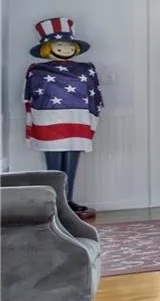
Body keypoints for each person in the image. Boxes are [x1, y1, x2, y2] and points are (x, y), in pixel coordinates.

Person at [24, 17, 102, 219]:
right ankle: (56, 201)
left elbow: (94, 96)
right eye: (59, 44)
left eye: (69, 45)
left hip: (77, 121)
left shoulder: (86, 69)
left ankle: (68, 199)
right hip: (48, 122)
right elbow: (30, 98)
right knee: (54, 165)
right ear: (48, 47)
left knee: (71, 162)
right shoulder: (38, 70)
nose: (65, 48)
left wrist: (92, 119)